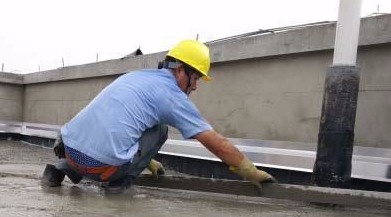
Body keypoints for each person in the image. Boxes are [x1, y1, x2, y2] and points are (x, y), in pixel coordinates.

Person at [41, 39, 275, 191]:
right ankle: (117, 186)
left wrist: (148, 160)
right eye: (195, 79)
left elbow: (116, 123)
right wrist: (250, 171)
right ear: (181, 70)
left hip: (67, 147)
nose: (194, 87)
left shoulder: (136, 76)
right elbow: (218, 144)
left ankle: (61, 168)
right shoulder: (172, 96)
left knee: (134, 124)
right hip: (99, 168)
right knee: (161, 129)